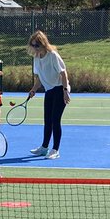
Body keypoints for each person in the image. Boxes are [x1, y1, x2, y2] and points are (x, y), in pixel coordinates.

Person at [24, 31, 70, 159]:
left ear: (43, 44)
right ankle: (44, 148)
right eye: (33, 45)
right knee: (47, 121)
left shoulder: (53, 55)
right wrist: (33, 89)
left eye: (37, 45)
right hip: (49, 90)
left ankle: (55, 150)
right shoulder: (36, 58)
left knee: (55, 120)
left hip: (60, 88)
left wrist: (66, 92)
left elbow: (63, 74)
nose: (35, 48)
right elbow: (39, 78)